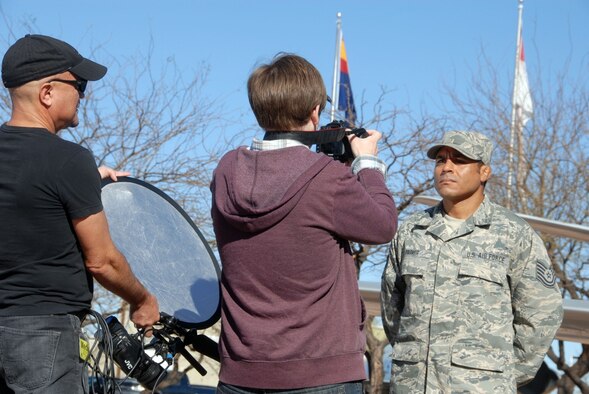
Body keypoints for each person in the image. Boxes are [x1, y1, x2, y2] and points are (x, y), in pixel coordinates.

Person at [210, 53, 397, 392]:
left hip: (241, 373)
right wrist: (367, 163)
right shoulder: (325, 179)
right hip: (321, 374)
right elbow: (382, 224)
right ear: (314, 110)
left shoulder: (225, 171)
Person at [0, 34, 160, 393]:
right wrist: (142, 299)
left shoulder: (66, 167)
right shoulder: (69, 161)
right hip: (41, 339)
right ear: (47, 93)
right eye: (79, 84)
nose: (83, 95)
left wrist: (86, 180)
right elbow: (103, 261)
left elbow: (28, 194)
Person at [381, 130, 563, 393]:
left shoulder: (513, 233)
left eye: (459, 160)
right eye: (441, 160)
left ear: (484, 172)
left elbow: (542, 313)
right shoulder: (412, 231)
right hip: (413, 385)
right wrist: (412, 360)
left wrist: (501, 372)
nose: (447, 168)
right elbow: (392, 308)